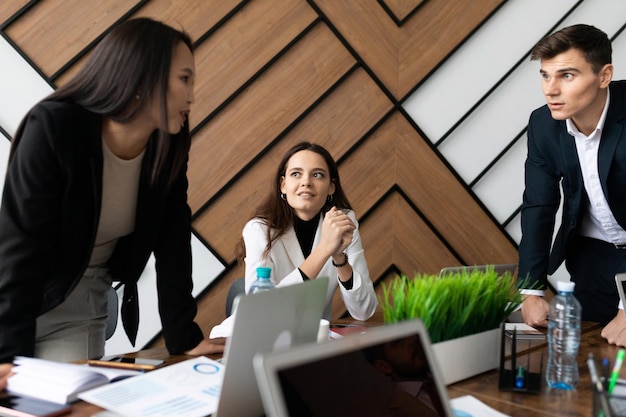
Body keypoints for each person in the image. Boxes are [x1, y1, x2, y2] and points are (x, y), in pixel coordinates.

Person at [0, 17, 224, 371]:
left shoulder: (169, 144)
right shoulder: (56, 127)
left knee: (72, 405)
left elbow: (173, 237)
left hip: (80, 303)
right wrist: (5, 352)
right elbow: (20, 243)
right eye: (184, 79)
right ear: (142, 75)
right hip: (10, 293)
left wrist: (185, 337)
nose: (192, 96)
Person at [517, 24, 626, 345]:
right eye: (545, 75)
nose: (550, 89)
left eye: (567, 76)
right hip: (593, 261)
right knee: (593, 358)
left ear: (604, 75)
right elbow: (538, 205)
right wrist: (531, 289)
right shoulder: (543, 125)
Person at [236, 141, 377, 321]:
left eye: (317, 175)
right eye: (296, 174)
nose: (306, 183)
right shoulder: (259, 230)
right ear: (283, 185)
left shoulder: (342, 223)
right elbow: (262, 311)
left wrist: (340, 259)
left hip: (315, 341)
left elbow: (364, 311)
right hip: (259, 338)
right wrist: (325, 249)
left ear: (331, 187)